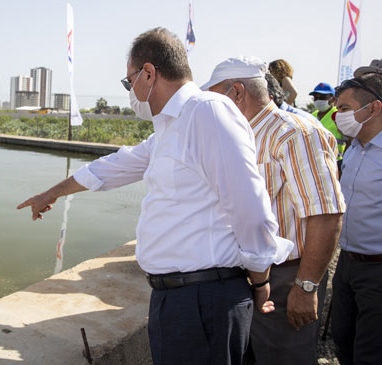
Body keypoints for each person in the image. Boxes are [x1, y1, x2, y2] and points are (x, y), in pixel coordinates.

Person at [17, 28, 293, 364]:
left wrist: (261, 278)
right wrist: (52, 192)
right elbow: (115, 166)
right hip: (177, 298)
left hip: (204, 298)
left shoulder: (207, 112)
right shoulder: (170, 126)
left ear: (149, 73)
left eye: (128, 81)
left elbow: (250, 206)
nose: (130, 91)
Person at [202, 56, 345, 365]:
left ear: (237, 93)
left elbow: (326, 214)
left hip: (283, 279)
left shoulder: (295, 134)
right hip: (246, 276)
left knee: (283, 356)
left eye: (214, 97)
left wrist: (305, 287)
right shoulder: (241, 136)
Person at [330, 74, 382, 365]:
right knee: (343, 341)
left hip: (377, 269)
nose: (339, 116)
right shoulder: (354, 149)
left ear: (373, 108)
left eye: (346, 109)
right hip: (348, 263)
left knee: (370, 351)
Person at [310, 82, 348, 164]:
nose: (318, 100)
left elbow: (349, 142)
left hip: (334, 162)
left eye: (323, 97)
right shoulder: (312, 115)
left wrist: (344, 164)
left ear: (333, 99)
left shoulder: (339, 115)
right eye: (315, 97)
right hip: (313, 161)